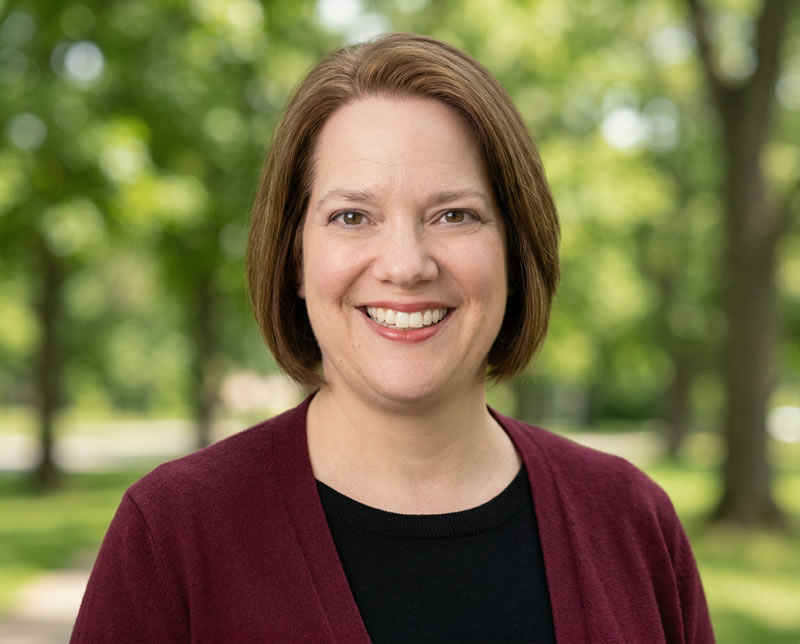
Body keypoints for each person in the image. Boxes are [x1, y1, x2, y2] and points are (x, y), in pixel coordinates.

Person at [72, 33, 714, 643]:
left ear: (515, 252)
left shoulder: (632, 523)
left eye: (454, 215)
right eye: (352, 217)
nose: (406, 265)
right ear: (295, 259)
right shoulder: (174, 534)